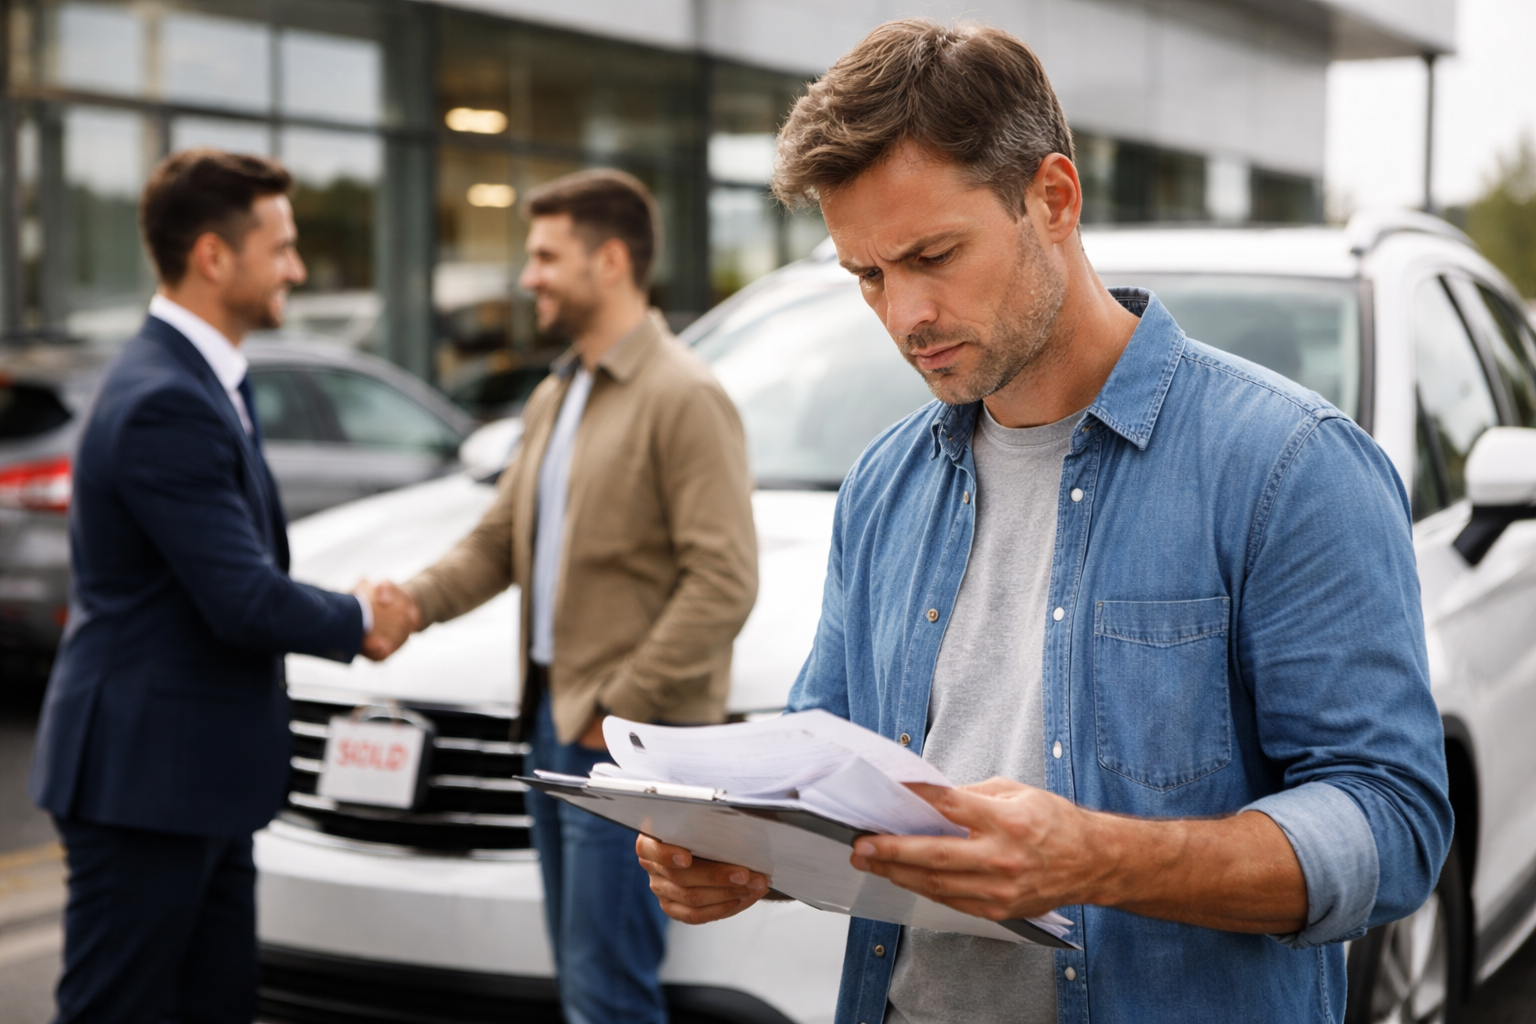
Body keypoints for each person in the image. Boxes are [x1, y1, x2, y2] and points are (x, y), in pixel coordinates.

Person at [635, 20, 1452, 1024]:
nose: (905, 316)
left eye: (934, 254)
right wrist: (745, 853)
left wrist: (1097, 857)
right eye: (870, 276)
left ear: (1053, 198)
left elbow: (1394, 822)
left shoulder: (1290, 466)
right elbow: (831, 778)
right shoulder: (886, 483)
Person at [27, 149, 416, 1023]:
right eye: (280, 246)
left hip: (191, 777)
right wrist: (362, 619)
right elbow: (241, 596)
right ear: (214, 256)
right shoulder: (165, 396)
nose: (299, 268)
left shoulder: (197, 380)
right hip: (145, 785)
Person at [372, 169, 758, 1024]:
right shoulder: (558, 395)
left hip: (627, 744)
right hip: (553, 723)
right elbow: (497, 543)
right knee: (584, 988)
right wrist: (404, 605)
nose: (527, 277)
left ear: (610, 260)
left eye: (545, 256)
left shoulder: (683, 396)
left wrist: (615, 707)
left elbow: (724, 581)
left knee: (606, 997)